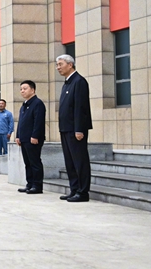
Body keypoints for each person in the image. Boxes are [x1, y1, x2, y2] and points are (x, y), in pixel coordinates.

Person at [56, 54, 92, 203]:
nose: (58, 67)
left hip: (75, 130)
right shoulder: (67, 83)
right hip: (65, 128)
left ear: (70, 65)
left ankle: (83, 192)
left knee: (80, 161)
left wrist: (79, 129)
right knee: (70, 162)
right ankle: (74, 189)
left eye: (60, 64)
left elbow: (81, 108)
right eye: (57, 65)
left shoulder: (79, 81)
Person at [16, 80, 45, 194]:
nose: (22, 91)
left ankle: (37, 186)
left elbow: (38, 121)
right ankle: (30, 184)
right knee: (27, 162)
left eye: (25, 88)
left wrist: (35, 136)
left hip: (33, 139)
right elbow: (21, 122)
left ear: (32, 90)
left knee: (35, 162)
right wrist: (18, 135)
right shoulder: (25, 104)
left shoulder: (37, 103)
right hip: (24, 139)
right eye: (21, 89)